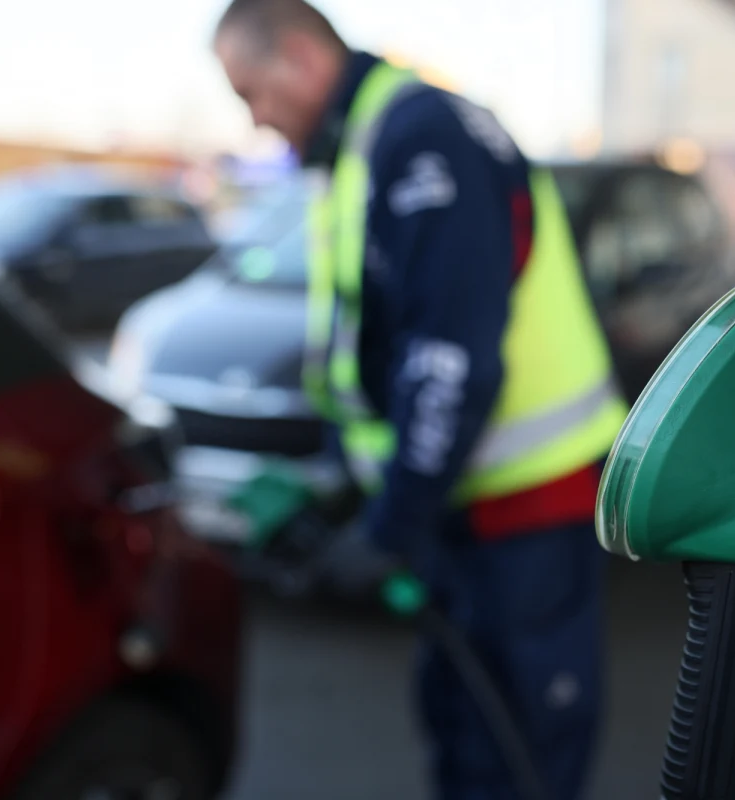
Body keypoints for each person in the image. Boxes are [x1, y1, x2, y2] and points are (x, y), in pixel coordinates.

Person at [212, 2, 629, 798]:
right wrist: (352, 485)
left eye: (251, 93)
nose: (257, 122)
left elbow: (449, 359)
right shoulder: (371, 138)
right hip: (465, 509)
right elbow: (379, 346)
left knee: (517, 754)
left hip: (521, 508)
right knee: (465, 737)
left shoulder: (418, 137)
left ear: (300, 57)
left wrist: (391, 523)